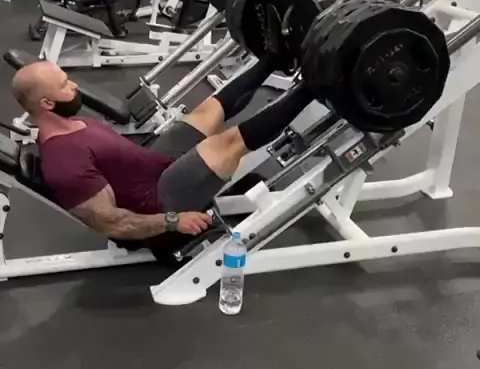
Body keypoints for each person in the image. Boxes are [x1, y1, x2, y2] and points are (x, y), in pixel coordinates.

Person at [12, 56, 312, 257]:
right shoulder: (63, 163)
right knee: (227, 143)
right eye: (65, 85)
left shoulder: (72, 122)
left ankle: (273, 59)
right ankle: (312, 87)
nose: (75, 85)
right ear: (47, 103)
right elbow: (110, 223)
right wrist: (173, 221)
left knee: (207, 111)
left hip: (151, 167)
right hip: (157, 202)